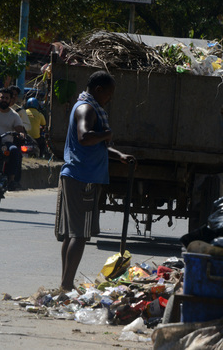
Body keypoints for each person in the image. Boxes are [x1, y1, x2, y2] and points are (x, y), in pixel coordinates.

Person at [57, 70, 135, 291]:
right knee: (80, 235)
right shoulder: (86, 108)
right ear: (98, 90)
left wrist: (117, 154)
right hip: (84, 178)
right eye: (108, 94)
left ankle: (65, 283)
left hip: (77, 174)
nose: (109, 99)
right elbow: (85, 137)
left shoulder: (86, 106)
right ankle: (66, 284)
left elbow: (95, 143)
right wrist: (106, 135)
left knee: (72, 234)